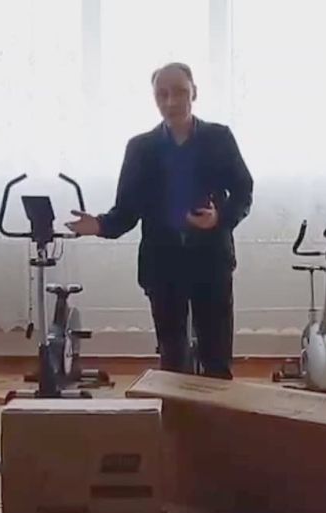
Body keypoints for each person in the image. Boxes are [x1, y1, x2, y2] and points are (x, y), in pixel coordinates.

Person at [65, 62, 253, 379]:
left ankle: (217, 410)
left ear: (194, 92)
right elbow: (126, 210)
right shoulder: (140, 148)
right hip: (162, 263)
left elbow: (243, 191)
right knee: (172, 356)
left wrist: (220, 218)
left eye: (179, 92)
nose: (171, 101)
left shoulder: (219, 138)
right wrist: (98, 225)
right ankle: (176, 410)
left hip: (211, 260)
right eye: (161, 94)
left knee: (216, 356)